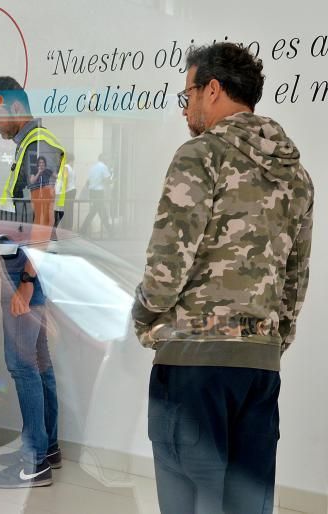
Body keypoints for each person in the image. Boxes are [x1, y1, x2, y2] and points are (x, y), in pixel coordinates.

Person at [131, 42, 314, 514]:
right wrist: (273, 341)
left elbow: (167, 266)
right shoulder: (297, 176)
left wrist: (142, 315)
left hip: (194, 363)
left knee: (189, 503)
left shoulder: (201, 156)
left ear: (212, 89)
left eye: (187, 94)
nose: (186, 107)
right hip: (259, 366)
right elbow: (295, 278)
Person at [0, 76, 63, 489]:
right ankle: (46, 448)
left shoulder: (37, 147)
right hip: (25, 267)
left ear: (10, 107)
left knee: (22, 364)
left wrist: (27, 281)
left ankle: (35, 461)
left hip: (26, 271)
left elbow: (43, 220)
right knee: (38, 360)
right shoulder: (30, 147)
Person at [79, 153, 111, 237]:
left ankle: (83, 230)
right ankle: (110, 231)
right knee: (99, 212)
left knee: (97, 211)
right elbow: (107, 179)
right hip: (99, 192)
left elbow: (88, 182)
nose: (107, 160)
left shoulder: (93, 167)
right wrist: (110, 182)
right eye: (107, 159)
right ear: (103, 159)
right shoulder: (104, 167)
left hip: (92, 192)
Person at [55, 153, 76, 230]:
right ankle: (69, 227)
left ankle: (66, 227)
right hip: (72, 190)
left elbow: (65, 179)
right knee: (69, 210)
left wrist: (62, 191)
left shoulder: (66, 167)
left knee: (66, 210)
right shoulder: (71, 168)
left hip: (68, 191)